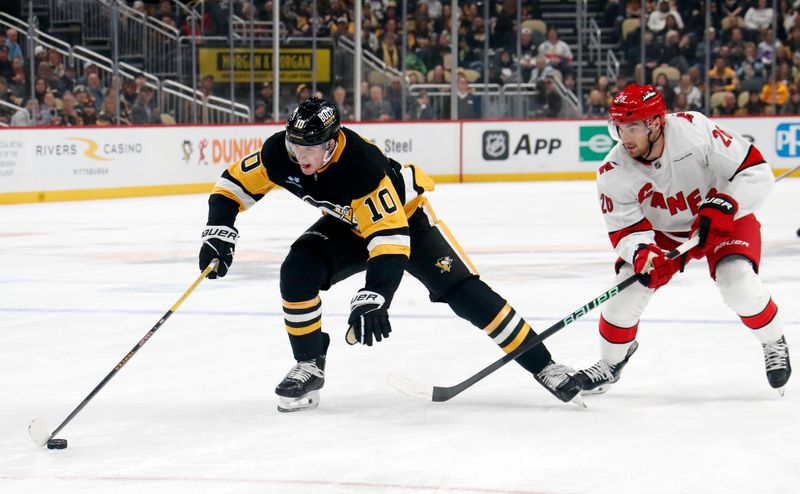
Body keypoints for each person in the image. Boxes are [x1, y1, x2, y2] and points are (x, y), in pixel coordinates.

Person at [198, 98, 584, 412]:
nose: (302, 156)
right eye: (297, 145)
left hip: (405, 221)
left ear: (332, 142)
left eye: (312, 148)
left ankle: (545, 364)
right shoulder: (279, 153)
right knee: (297, 270)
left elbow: (390, 238)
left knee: (463, 293)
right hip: (349, 224)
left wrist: (375, 294)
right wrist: (219, 232)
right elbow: (232, 184)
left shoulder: (361, 166)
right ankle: (309, 364)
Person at [574, 84, 791, 396]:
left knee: (737, 282)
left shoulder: (695, 130)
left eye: (633, 127)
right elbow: (625, 230)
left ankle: (773, 341)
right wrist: (644, 254)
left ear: (656, 123)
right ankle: (610, 364)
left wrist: (727, 204)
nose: (625, 138)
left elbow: (755, 173)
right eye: (619, 128)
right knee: (621, 300)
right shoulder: (613, 169)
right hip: (663, 235)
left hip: (721, 219)